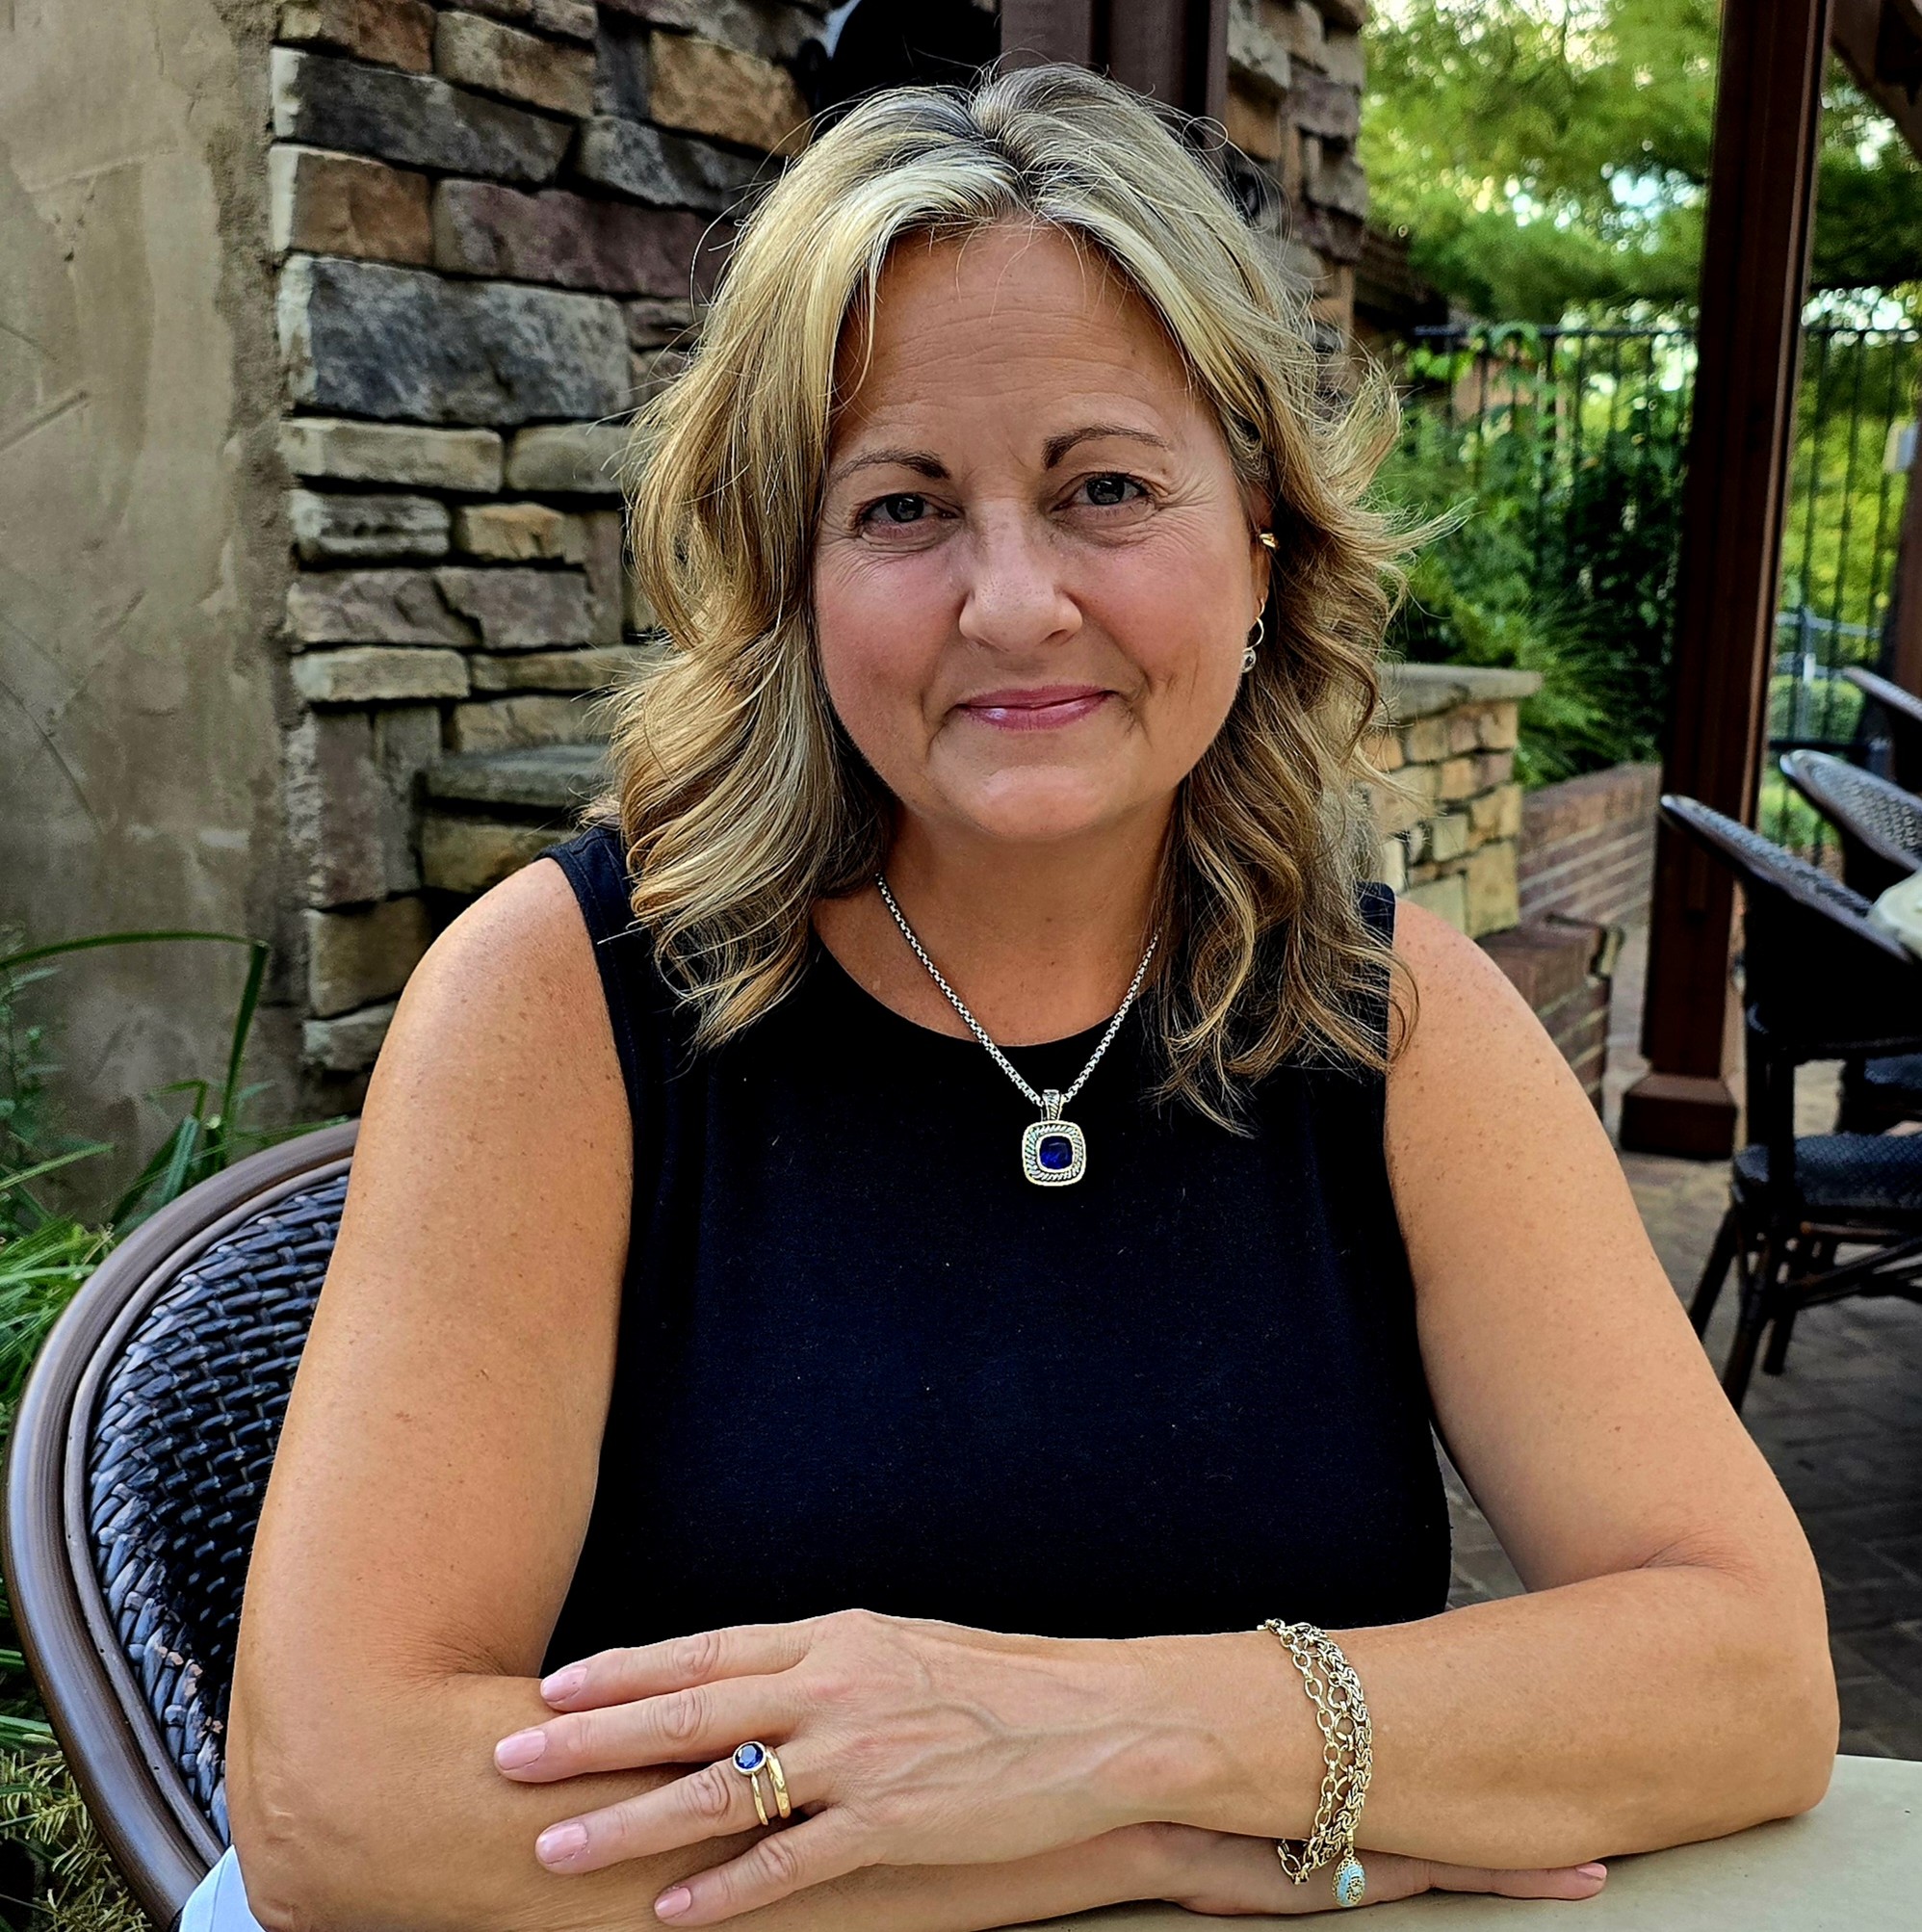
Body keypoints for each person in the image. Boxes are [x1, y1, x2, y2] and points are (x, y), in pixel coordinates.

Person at [197, 61, 1836, 1932]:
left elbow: (1747, 1675)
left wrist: (1104, 1735)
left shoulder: (1399, 1023)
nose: (1012, 602)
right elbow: (339, 1801)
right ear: (795, 579)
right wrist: (1130, 1843)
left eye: (1103, 488)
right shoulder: (555, 1002)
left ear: (1263, 539)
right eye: (900, 508)